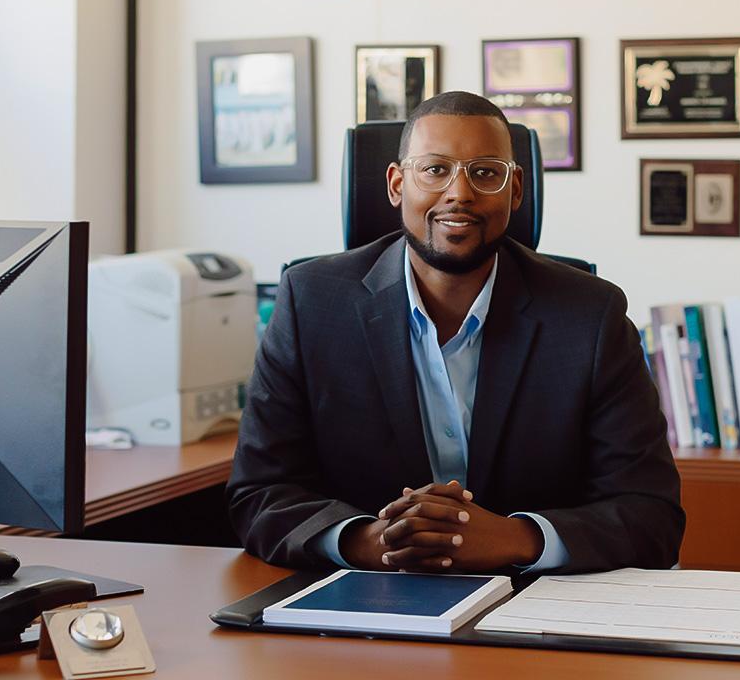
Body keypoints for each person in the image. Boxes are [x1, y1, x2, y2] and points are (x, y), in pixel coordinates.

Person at [226, 91, 684, 575]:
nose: (459, 193)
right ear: (397, 183)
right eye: (435, 169)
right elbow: (259, 493)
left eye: (485, 172)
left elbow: (650, 514)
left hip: (532, 609)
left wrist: (516, 538)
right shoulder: (311, 304)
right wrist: (369, 541)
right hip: (364, 601)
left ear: (516, 189)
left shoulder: (590, 315)